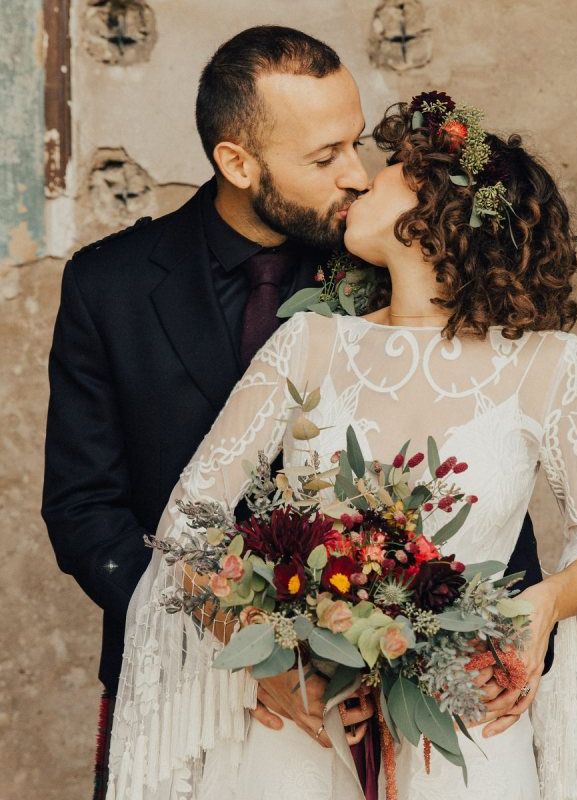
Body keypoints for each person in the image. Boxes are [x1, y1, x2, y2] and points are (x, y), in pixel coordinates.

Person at [41, 27, 550, 798]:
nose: (356, 175)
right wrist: (241, 652)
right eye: (323, 157)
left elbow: (478, 455)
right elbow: (85, 511)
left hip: (393, 701)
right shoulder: (107, 286)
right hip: (182, 689)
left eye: (356, 142)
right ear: (238, 163)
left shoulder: (394, 261)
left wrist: (514, 636)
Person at [106, 92, 577, 800]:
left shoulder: (550, 365)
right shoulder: (307, 344)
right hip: (307, 725)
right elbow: (187, 526)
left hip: (469, 727)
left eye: (384, 172)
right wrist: (263, 657)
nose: (357, 181)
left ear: (430, 207)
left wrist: (541, 607)